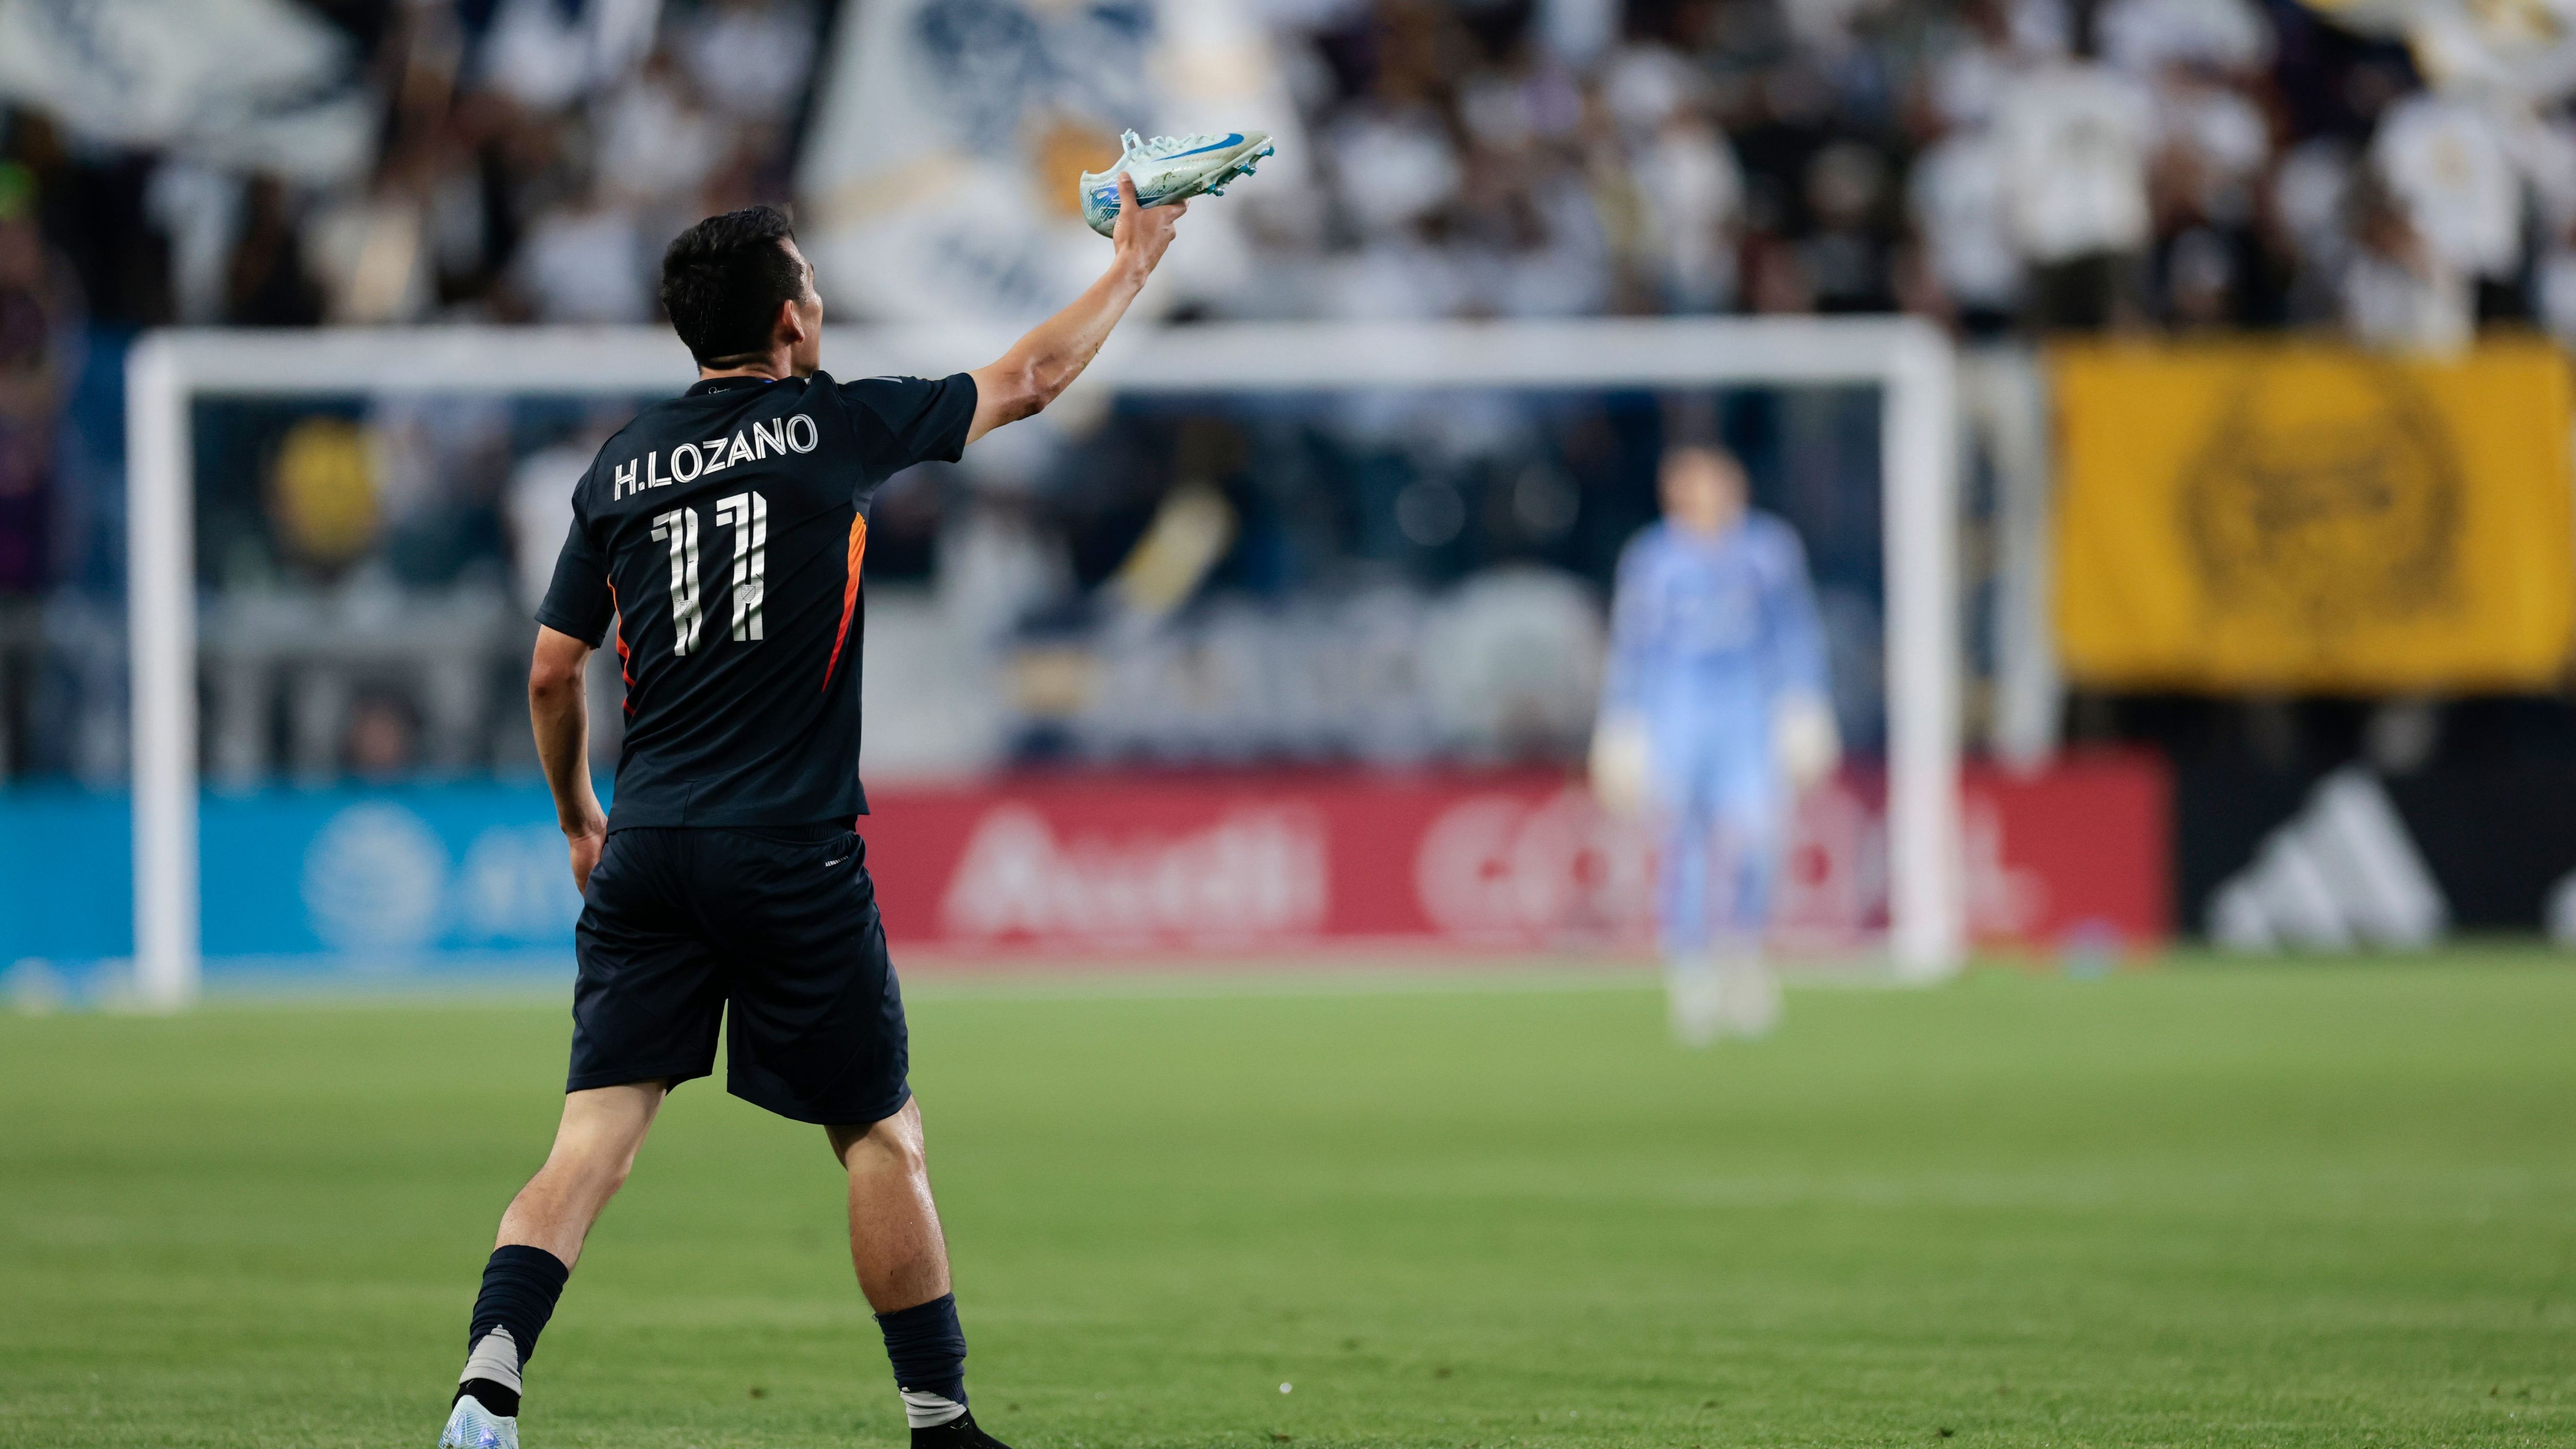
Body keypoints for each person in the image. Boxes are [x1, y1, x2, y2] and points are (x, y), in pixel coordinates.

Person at [436, 174, 1187, 1449]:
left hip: (651, 846)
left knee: (588, 1149)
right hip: (787, 848)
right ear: (788, 322)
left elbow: (551, 670)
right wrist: (1129, 266)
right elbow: (1030, 380)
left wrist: (578, 814)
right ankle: (940, 1429)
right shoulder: (829, 428)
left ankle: (485, 1392)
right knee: (880, 1141)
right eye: (814, 282)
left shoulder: (618, 465)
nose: (824, 299)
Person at [1590, 445, 1837, 1046]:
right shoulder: (1653, 557)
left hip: (1748, 712)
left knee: (1758, 838)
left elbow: (1795, 627)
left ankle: (1746, 955)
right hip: (1677, 712)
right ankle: (1691, 972)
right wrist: (1622, 720)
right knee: (1684, 847)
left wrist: (1805, 700)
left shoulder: (1769, 550)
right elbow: (1634, 642)